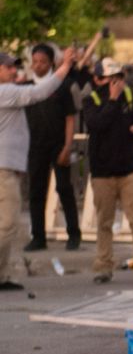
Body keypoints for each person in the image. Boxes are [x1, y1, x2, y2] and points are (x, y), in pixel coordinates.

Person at [0, 47, 78, 290]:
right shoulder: (5, 91)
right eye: (8, 66)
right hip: (3, 169)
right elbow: (39, 92)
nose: (14, 70)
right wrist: (64, 66)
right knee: (8, 223)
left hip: (8, 167)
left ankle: (2, 276)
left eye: (15, 65)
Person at [80, 58, 133, 285]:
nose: (114, 84)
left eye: (118, 79)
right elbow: (96, 125)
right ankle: (103, 267)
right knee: (104, 222)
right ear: (97, 79)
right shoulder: (91, 100)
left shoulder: (131, 97)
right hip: (103, 171)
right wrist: (112, 100)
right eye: (108, 79)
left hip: (129, 168)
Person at [23, 44, 83, 252]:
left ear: (50, 63)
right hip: (35, 145)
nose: (38, 66)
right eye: (35, 61)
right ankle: (38, 237)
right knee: (36, 191)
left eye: (43, 62)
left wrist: (67, 146)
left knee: (64, 188)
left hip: (58, 144)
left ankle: (73, 234)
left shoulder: (60, 85)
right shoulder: (27, 87)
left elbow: (69, 118)